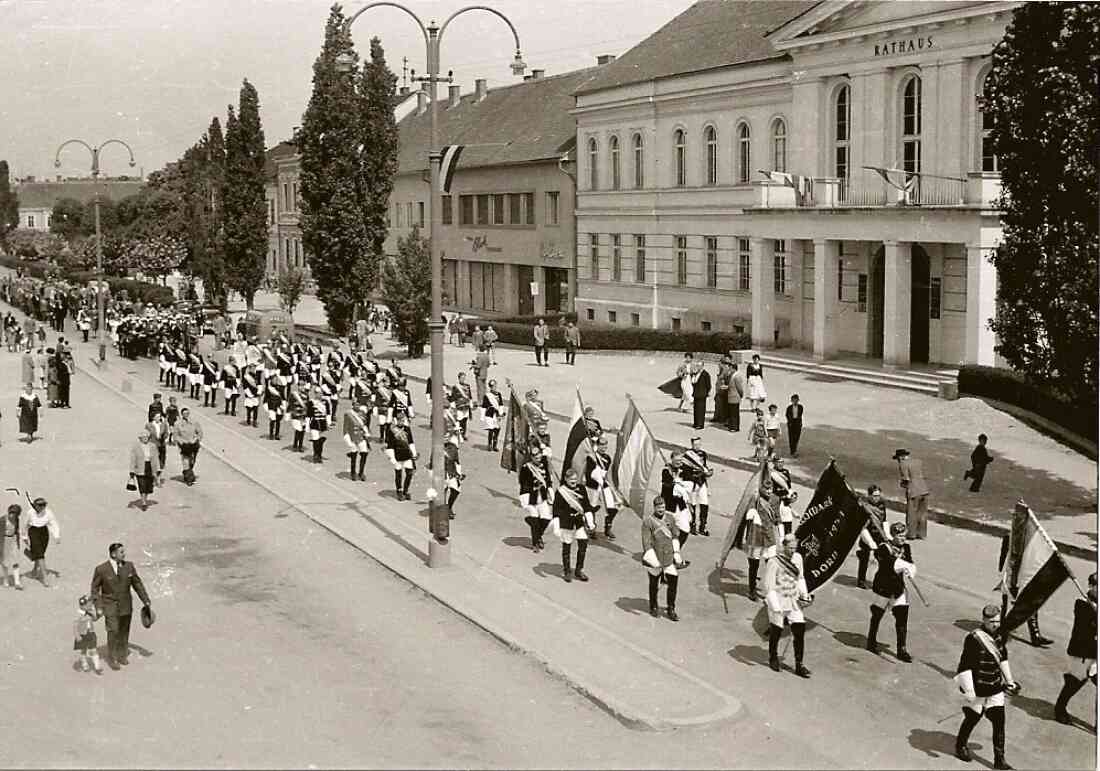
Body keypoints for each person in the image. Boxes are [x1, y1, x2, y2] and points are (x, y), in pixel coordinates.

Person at [954, 604, 1019, 769]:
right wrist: (968, 690)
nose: (995, 625)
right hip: (978, 688)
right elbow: (964, 666)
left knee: (999, 723)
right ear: (984, 620)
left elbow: (1002, 659)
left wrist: (1010, 681)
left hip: (996, 688)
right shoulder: (974, 638)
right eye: (992, 622)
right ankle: (960, 745)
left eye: (997, 621)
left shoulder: (1000, 636)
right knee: (973, 718)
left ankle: (999, 760)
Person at [90, 543, 152, 671]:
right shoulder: (101, 569)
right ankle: (112, 657)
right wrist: (98, 606)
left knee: (124, 630)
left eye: (124, 552)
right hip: (110, 605)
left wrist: (146, 600)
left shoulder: (129, 566)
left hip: (126, 605)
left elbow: (137, 584)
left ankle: (122, 655)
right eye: (121, 552)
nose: (124, 554)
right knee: (113, 630)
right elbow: (95, 589)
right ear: (113, 554)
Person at [764, 533, 813, 677]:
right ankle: (773, 656)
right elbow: (769, 586)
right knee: (776, 630)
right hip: (778, 600)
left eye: (794, 548)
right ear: (784, 546)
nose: (792, 551)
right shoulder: (774, 562)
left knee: (799, 629)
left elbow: (800, 577)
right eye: (790, 548)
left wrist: (805, 594)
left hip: (793, 599)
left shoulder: (798, 558)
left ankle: (799, 664)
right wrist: (775, 605)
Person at [866, 522, 915, 662]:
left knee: (902, 618)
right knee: (877, 615)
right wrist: (902, 565)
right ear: (893, 535)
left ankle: (902, 649)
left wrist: (911, 569)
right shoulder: (883, 548)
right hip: (884, 587)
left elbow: (910, 561)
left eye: (904, 536)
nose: (902, 539)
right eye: (900, 536)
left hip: (898, 588)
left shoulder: (906, 547)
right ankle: (871, 641)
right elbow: (888, 564)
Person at [1054, 571, 1097, 725]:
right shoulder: (1082, 604)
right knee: (1074, 683)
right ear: (1091, 586)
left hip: (1095, 655)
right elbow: (1084, 627)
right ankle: (1059, 708)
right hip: (1082, 653)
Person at [641, 496, 684, 620]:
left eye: (663, 507)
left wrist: (676, 552)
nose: (661, 510)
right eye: (659, 507)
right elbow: (646, 542)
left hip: (669, 557)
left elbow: (676, 535)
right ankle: (653, 606)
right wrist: (651, 559)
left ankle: (671, 608)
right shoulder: (648, 522)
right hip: (655, 557)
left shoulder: (670, 518)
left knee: (673, 582)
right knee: (654, 583)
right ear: (654, 508)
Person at [553, 468, 596, 583]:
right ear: (566, 479)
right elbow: (556, 510)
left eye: (576, 479)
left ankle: (578, 570)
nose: (574, 481)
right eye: (571, 479)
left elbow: (586, 506)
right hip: (566, 523)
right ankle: (567, 571)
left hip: (579, 522)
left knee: (583, 545)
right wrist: (556, 526)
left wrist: (590, 521)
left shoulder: (581, 488)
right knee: (567, 546)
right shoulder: (561, 492)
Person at [584, 436, 620, 540]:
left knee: (613, 507)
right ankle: (591, 528)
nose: (604, 447)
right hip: (593, 486)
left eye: (605, 445)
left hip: (604, 485)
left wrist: (606, 475)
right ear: (597, 445)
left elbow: (609, 472)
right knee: (592, 508)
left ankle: (607, 527)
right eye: (601, 445)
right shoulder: (591, 457)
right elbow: (590, 474)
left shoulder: (607, 458)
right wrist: (599, 473)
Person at [855, 484, 888, 589]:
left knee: (882, 558)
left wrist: (887, 535)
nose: (877, 498)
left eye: (878, 495)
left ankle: (880, 582)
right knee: (864, 558)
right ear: (869, 495)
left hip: (878, 534)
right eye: (874, 496)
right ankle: (861, 581)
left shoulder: (882, 505)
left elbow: (884, 520)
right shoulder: (864, 506)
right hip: (867, 534)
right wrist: (870, 542)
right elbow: (861, 527)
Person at [893, 448, 929, 539]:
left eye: (898, 459)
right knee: (922, 513)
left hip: (913, 491)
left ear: (900, 457)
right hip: (924, 489)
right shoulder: (918, 461)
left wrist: (902, 484)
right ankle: (922, 534)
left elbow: (906, 479)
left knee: (911, 514)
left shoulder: (903, 464)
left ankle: (911, 534)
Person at [24, 497, 60, 587]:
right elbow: (25, 525)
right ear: (35, 505)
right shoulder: (30, 513)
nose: (43, 507)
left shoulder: (48, 512)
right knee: (40, 555)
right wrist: (24, 536)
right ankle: (45, 578)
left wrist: (56, 536)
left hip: (44, 532)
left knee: (40, 552)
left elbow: (53, 523)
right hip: (33, 532)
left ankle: (35, 571)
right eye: (40, 505)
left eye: (44, 505)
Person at [682, 436, 714, 536]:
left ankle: (703, 526)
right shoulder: (687, 455)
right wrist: (695, 475)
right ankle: (692, 525)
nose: (697, 446)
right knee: (693, 504)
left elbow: (704, 466)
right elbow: (685, 472)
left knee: (704, 503)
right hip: (692, 483)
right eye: (695, 444)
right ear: (692, 445)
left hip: (702, 482)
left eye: (699, 444)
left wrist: (707, 472)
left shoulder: (703, 454)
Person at [384, 411, 418, 500]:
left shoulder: (407, 429)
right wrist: (392, 458)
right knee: (398, 474)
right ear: (396, 420)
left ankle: (405, 491)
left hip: (407, 455)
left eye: (403, 420)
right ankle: (399, 490)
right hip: (397, 455)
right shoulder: (391, 431)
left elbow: (411, 442)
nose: (401, 422)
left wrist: (414, 453)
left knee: (409, 473)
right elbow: (390, 446)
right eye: (400, 420)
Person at [128, 431, 160, 511]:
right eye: (143, 437)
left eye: (146, 437)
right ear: (140, 439)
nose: (145, 438)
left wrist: (158, 469)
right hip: (140, 468)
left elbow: (156, 458)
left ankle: (145, 498)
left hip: (150, 466)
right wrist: (132, 471)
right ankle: (143, 502)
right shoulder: (136, 447)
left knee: (148, 485)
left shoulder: (153, 446)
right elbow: (133, 459)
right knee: (142, 485)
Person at [73, 595, 104, 674]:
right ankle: (84, 663)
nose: (91, 605)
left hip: (90, 633)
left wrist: (98, 614)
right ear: (83, 606)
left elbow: (94, 619)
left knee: (93, 649)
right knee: (83, 650)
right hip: (82, 635)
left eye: (91, 604)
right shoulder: (78, 615)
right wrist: (77, 636)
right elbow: (75, 626)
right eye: (89, 604)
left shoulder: (89, 613)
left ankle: (97, 666)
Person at [343, 403, 371, 481]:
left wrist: (367, 432)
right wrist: (347, 440)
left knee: (364, 453)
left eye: (358, 405)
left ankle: (361, 472)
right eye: (356, 405)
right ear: (353, 405)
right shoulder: (348, 414)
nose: (357, 406)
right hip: (352, 437)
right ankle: (353, 472)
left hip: (361, 437)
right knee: (354, 454)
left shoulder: (362, 414)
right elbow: (345, 428)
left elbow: (364, 425)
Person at [174, 407, 203, 485]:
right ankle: (189, 479)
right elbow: (176, 436)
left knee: (192, 461)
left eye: (187, 413)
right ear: (182, 414)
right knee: (185, 461)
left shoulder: (194, 422)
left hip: (194, 445)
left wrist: (196, 439)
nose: (186, 415)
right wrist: (182, 442)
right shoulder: (178, 424)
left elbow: (200, 432)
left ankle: (187, 472)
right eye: (184, 414)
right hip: (184, 445)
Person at [1, 504, 23, 589]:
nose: (12, 515)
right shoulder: (3, 520)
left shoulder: (17, 520)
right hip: (3, 541)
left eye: (15, 513)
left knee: (15, 561)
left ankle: (17, 582)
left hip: (13, 540)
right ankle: (6, 580)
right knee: (4, 562)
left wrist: (18, 543)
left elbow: (17, 531)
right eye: (11, 512)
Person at [481, 379, 505, 452]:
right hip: (489, 414)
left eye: (495, 386)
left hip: (497, 415)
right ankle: (489, 445)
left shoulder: (498, 394)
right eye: (492, 386)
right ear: (490, 387)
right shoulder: (487, 395)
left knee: (497, 430)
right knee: (491, 430)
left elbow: (501, 404)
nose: (494, 387)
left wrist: (501, 413)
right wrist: (482, 417)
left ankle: (495, 445)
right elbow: (484, 406)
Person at [145, 413, 169, 485]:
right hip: (153, 445)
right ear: (153, 418)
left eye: (160, 417)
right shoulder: (149, 425)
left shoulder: (163, 425)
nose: (159, 418)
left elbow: (166, 433)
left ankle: (158, 477)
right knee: (154, 462)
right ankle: (155, 479)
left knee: (161, 462)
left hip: (161, 445)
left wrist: (165, 438)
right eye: (157, 417)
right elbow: (146, 435)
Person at [690, 361, 711, 431]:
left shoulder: (705, 374)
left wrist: (706, 392)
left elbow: (708, 385)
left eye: (699, 366)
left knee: (701, 410)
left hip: (702, 394)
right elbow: (693, 382)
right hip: (696, 394)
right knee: (696, 409)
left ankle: (700, 424)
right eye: (697, 365)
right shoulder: (696, 373)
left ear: (702, 366)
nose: (697, 367)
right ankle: (696, 423)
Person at [713, 355, 732, 425]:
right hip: (719, 389)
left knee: (722, 404)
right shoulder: (721, 370)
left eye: (721, 363)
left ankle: (722, 418)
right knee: (718, 403)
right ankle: (717, 417)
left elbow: (726, 381)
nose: (719, 365)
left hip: (723, 390)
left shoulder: (726, 370)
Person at [728, 362, 745, 431]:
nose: (729, 369)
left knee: (734, 413)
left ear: (733, 368)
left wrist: (741, 395)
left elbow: (739, 388)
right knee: (732, 412)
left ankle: (735, 427)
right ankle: (733, 426)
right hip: (732, 396)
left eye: (730, 368)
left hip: (735, 396)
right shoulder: (733, 375)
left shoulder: (737, 376)